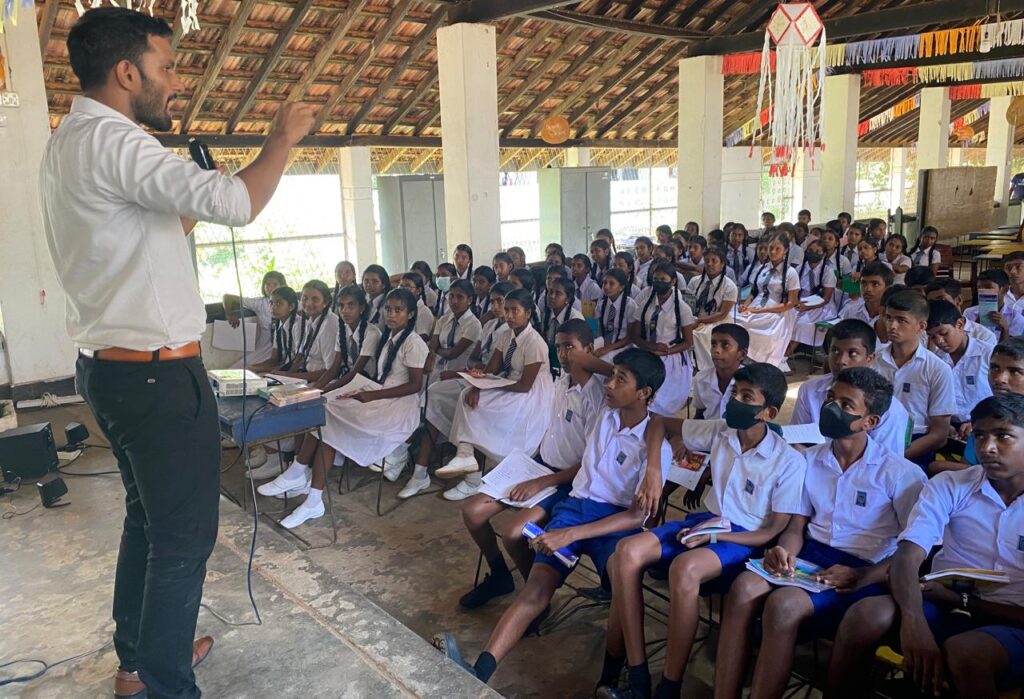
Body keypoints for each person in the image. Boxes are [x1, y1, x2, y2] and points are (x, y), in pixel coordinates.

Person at [45, 9, 316, 697]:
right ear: (126, 72)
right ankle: (167, 682)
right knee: (184, 540)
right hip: (157, 377)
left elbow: (143, 236)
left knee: (148, 518)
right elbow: (238, 202)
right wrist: (281, 141)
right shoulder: (120, 142)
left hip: (110, 370)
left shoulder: (70, 139)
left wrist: (190, 206)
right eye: (166, 67)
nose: (176, 81)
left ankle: (140, 658)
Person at [436, 349, 672, 685]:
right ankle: (478, 672)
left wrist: (571, 535)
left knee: (623, 588)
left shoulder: (657, 448)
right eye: (611, 375)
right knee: (535, 590)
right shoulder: (605, 412)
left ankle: (611, 680)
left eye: (621, 379)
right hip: (575, 508)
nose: (609, 383)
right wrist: (622, 372)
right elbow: (582, 360)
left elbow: (637, 517)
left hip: (615, 524)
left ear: (644, 393)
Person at [715, 368, 926, 699]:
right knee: (743, 588)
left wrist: (864, 574)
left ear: (869, 422)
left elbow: (913, 552)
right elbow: (796, 527)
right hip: (814, 556)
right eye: (830, 398)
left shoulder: (900, 474)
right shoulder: (809, 460)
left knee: (783, 605)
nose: (831, 408)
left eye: (846, 405)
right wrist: (786, 551)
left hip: (866, 567)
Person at [597, 363, 805, 699]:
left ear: (768, 413)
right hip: (708, 522)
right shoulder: (721, 431)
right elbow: (659, 423)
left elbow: (771, 531)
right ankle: (636, 674)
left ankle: (669, 687)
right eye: (734, 393)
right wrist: (654, 470)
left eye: (746, 397)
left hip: (743, 538)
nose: (734, 401)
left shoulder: (788, 461)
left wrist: (715, 536)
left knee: (685, 568)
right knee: (626, 552)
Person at [826, 392, 1024, 699]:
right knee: (864, 615)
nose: (987, 447)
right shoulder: (951, 485)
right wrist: (913, 620)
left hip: (1011, 620)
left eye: (1003, 436)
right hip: (942, 605)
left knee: (965, 653)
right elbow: (907, 555)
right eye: (980, 435)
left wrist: (962, 601)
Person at [457, 319, 606, 609]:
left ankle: (536, 598)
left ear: (589, 350)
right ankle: (500, 575)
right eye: (559, 347)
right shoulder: (561, 380)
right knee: (472, 512)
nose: (563, 354)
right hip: (540, 465)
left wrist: (541, 482)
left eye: (570, 347)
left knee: (514, 534)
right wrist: (528, 467)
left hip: (566, 480)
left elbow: (590, 462)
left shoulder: (595, 396)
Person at [260, 288, 429, 525]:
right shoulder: (388, 337)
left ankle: (301, 475)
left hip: (398, 407)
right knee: (325, 410)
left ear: (410, 314)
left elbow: (414, 385)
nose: (391, 314)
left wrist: (371, 395)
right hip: (380, 396)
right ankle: (310, 493)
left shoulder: (413, 343)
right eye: (388, 309)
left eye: (398, 310)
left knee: (328, 414)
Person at [432, 289, 555, 483]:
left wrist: (489, 388)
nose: (509, 315)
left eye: (515, 310)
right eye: (507, 310)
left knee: (481, 404)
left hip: (531, 394)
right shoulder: (506, 335)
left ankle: (468, 464)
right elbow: (492, 369)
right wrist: (477, 386)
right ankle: (466, 457)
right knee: (468, 394)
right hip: (509, 383)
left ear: (528, 313)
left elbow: (524, 386)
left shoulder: (535, 343)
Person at [792, 320, 912, 456]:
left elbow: (885, 460)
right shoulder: (809, 390)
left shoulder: (889, 409)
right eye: (835, 351)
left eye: (852, 353)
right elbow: (797, 438)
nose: (841, 361)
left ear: (870, 358)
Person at [872, 290, 956, 467]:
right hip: (874, 438)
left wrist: (894, 457)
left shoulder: (938, 369)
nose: (892, 326)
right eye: (889, 318)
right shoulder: (873, 361)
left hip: (916, 444)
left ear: (921, 326)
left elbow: (939, 435)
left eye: (901, 320)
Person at [629, 260, 696, 418]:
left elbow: (688, 342)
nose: (658, 283)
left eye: (663, 280)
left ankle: (658, 421)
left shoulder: (682, 309)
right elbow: (634, 335)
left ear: (673, 282)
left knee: (659, 398)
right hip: (647, 351)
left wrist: (666, 351)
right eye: (656, 279)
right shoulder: (645, 304)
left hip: (671, 355)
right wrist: (650, 346)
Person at [926, 300, 995, 448]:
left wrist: (977, 422)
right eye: (932, 337)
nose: (939, 341)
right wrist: (944, 424)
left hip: (988, 425)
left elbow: (1003, 397)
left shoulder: (988, 355)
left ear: (960, 324)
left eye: (944, 333)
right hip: (950, 430)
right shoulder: (935, 362)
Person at [734, 234, 800, 369]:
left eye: (778, 249)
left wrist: (762, 310)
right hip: (757, 306)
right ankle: (744, 357)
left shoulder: (791, 273)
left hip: (778, 310)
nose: (773, 252)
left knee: (767, 335)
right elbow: (753, 292)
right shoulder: (762, 268)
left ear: (786, 250)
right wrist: (745, 306)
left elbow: (791, 303)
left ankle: (760, 362)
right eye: (771, 248)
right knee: (734, 319)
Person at [269, 280, 339, 383]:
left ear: (326, 302)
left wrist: (290, 376)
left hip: (324, 382)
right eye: (305, 298)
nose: (308, 303)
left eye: (315, 299)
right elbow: (299, 358)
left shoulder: (330, 324)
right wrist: (284, 377)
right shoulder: (310, 321)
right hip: (307, 378)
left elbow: (330, 371)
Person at [687, 247, 739, 371]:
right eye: (707, 261)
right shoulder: (694, 281)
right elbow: (687, 304)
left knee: (696, 335)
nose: (710, 264)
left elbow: (722, 313)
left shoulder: (730, 286)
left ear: (722, 264)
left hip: (718, 321)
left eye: (714, 261)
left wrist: (699, 321)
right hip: (695, 318)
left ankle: (703, 368)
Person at [222, 270, 286, 366]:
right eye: (267, 284)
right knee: (238, 369)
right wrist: (229, 314)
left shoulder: (290, 303)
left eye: (275, 284)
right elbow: (227, 297)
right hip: (264, 348)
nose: (271, 287)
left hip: (283, 348)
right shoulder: (259, 303)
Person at [787, 239, 838, 354]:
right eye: (810, 250)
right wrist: (796, 302)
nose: (813, 253)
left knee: (801, 324)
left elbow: (826, 299)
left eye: (818, 251)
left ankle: (786, 355)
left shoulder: (828, 272)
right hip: (800, 303)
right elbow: (793, 291)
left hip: (820, 306)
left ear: (824, 254)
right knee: (786, 320)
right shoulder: (799, 269)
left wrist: (807, 307)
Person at [692, 323, 748, 419]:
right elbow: (700, 414)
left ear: (742, 354)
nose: (716, 350)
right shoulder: (701, 379)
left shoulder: (751, 382)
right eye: (713, 344)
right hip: (709, 428)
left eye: (725, 345)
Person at [924, 278, 998, 345]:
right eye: (931, 302)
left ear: (959, 300)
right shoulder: (925, 334)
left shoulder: (983, 336)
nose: (937, 305)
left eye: (942, 300)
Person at [249, 286, 301, 373]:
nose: (273, 307)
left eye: (278, 303)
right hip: (283, 368)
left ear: (291, 307)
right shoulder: (278, 325)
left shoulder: (297, 325)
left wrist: (259, 369)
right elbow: (274, 359)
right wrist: (253, 367)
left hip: (295, 370)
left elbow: (299, 361)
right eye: (271, 303)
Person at [964, 269, 1024, 341]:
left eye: (988, 287)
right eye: (979, 288)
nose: (983, 291)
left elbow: (1010, 347)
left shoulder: (1016, 318)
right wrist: (976, 324)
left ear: (1005, 289)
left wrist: (1005, 329)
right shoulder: (969, 313)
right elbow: (965, 342)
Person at [594, 269, 638, 362]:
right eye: (604, 283)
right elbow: (599, 331)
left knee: (602, 361)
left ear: (621, 287)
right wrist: (600, 346)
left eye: (611, 283)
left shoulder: (630, 305)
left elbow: (630, 337)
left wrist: (608, 348)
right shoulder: (601, 305)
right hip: (604, 343)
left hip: (623, 346)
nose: (606, 287)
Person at [839, 262, 892, 328]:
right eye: (864, 283)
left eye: (875, 284)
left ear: (887, 288)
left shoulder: (891, 318)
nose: (868, 289)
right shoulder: (851, 312)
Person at [541, 277, 584, 346]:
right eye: (550, 291)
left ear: (567, 299)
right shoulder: (545, 314)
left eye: (558, 293)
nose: (552, 296)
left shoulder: (575, 319)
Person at [399, 272, 437, 341]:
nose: (403, 290)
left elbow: (420, 340)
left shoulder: (423, 312)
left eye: (408, 287)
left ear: (418, 290)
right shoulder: (402, 308)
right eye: (401, 286)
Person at [362, 264, 391, 330]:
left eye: (374, 281)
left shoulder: (388, 303)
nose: (369, 285)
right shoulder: (360, 300)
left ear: (383, 284)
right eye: (366, 280)